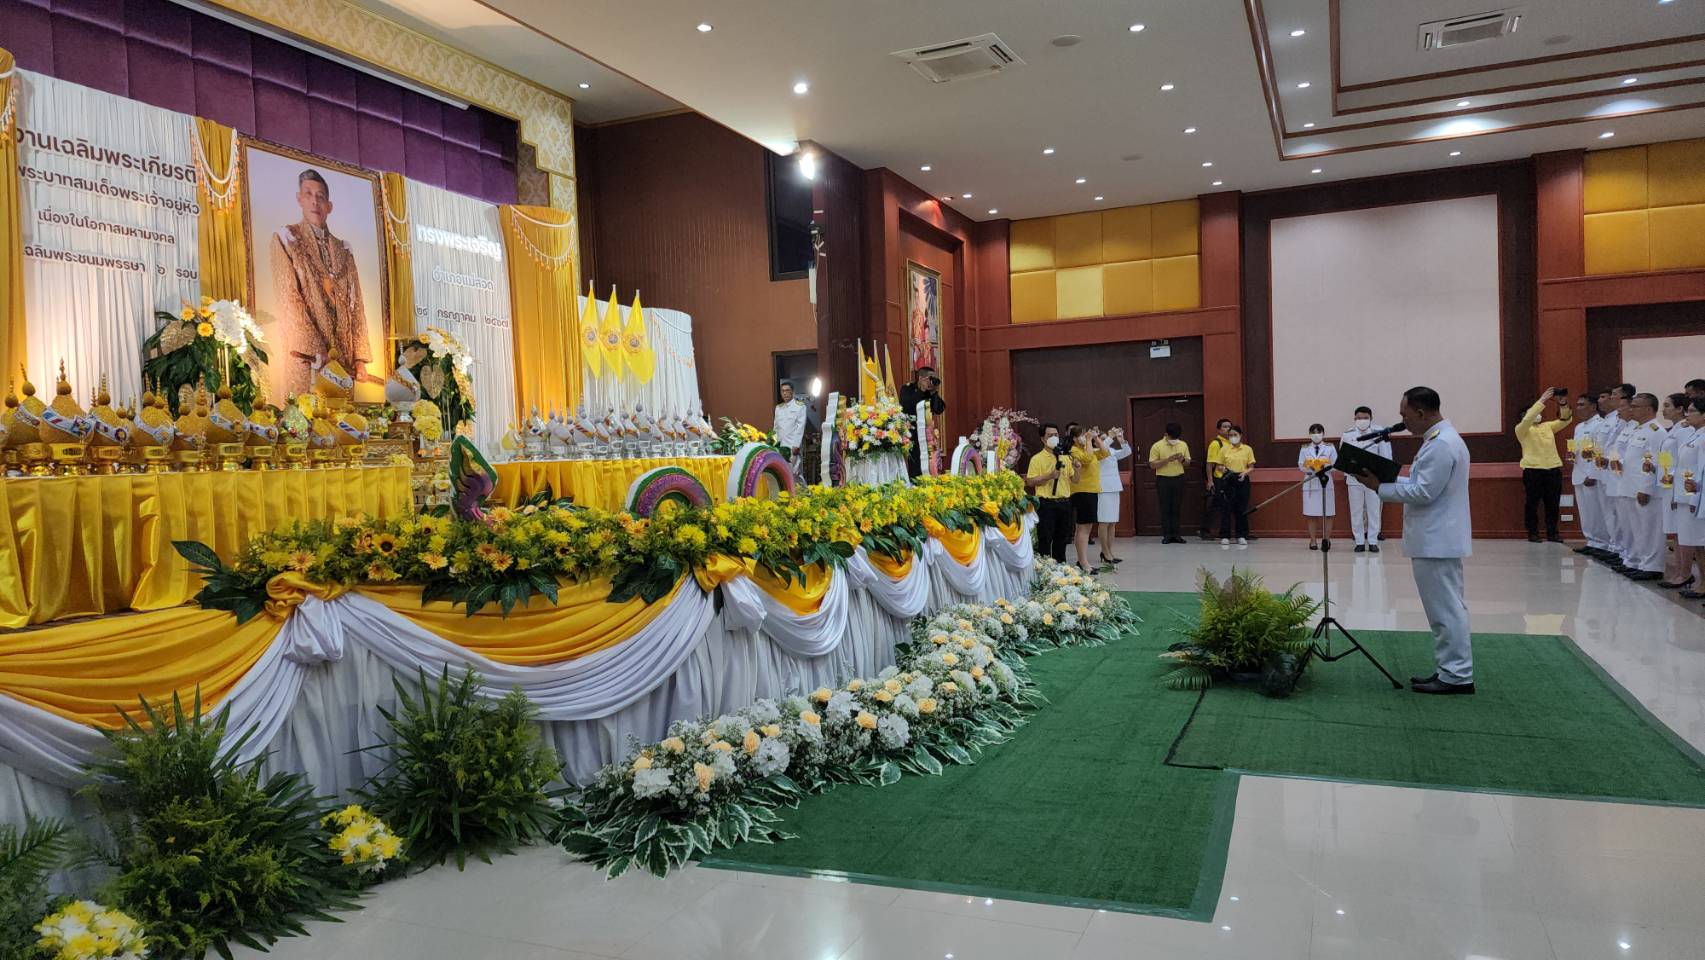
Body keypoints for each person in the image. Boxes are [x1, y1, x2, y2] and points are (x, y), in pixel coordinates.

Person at [1353, 386, 1473, 695]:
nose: (1403, 421)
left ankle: (1457, 675)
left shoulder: (1441, 444)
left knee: (1446, 611)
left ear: (1421, 413)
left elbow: (1424, 492)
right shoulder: (1440, 439)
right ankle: (1451, 670)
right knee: (1446, 609)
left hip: (1437, 540)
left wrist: (1380, 488)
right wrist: (1390, 480)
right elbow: (1424, 483)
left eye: (1405, 415)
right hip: (1437, 538)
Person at [269, 168, 371, 394]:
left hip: (343, 358)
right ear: (299, 199)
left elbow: (357, 305)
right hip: (307, 359)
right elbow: (289, 300)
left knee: (343, 415)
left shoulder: (344, 249)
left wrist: (359, 358)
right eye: (308, 194)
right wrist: (316, 348)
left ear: (329, 206)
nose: (315, 201)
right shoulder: (287, 239)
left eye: (320, 196)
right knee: (308, 414)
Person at [1616, 392, 1667, 581]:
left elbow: (1654, 463)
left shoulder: (1656, 431)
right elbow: (1633, 458)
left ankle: (1653, 566)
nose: (1631, 409)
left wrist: (1646, 488)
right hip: (1630, 486)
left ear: (1648, 409)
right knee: (1638, 530)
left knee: (1650, 530)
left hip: (1646, 489)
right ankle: (1640, 563)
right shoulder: (1638, 429)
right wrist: (1619, 462)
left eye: (1635, 406)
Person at [1515, 387, 1573, 543]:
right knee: (1532, 503)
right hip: (1533, 470)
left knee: (1553, 503)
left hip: (1553, 469)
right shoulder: (1521, 429)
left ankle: (1552, 533)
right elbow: (1528, 419)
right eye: (1532, 412)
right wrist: (1542, 400)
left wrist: (1563, 404)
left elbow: (1566, 420)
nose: (1537, 415)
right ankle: (1533, 532)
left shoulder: (1547, 426)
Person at [1599, 384, 1641, 571]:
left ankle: (1630, 556)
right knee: (1618, 517)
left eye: (1615, 395)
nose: (1611, 398)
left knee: (1630, 521)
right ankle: (1623, 552)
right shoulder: (1620, 423)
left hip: (1626, 478)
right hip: (1614, 475)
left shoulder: (1636, 427)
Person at [1339, 406, 1390, 553]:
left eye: (1365, 418)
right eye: (1359, 418)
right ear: (1354, 419)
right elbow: (1343, 456)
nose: (1362, 420)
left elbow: (1385, 457)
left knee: (1374, 510)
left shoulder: (1377, 434)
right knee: (1356, 511)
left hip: (1373, 480)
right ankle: (1359, 541)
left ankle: (1373, 541)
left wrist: (1382, 476)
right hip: (1354, 479)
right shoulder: (1347, 435)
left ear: (1371, 419)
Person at [1025, 422, 1076, 562]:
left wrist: (1078, 467)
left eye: (1056, 435)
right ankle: (1045, 568)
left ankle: (1061, 567)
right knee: (1045, 539)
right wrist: (1049, 476)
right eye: (1050, 435)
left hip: (1065, 503)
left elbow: (1075, 480)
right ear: (1043, 439)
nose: (1054, 438)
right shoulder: (1037, 459)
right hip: (1046, 504)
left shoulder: (1065, 457)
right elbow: (1030, 482)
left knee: (1063, 539)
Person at [1659, 392, 1694, 589]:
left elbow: (1683, 462)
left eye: (1667, 406)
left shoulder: (1685, 430)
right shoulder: (1674, 429)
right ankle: (1680, 570)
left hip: (1676, 486)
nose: (1663, 410)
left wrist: (1675, 489)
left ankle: (1684, 572)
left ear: (1680, 409)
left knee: (1682, 532)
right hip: (1668, 485)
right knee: (1675, 532)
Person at [1568, 392, 1607, 557]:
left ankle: (1602, 543)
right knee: (1585, 512)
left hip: (1591, 475)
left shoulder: (1600, 425)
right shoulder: (1579, 427)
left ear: (1593, 406)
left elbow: (1600, 451)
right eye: (1577, 405)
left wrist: (1593, 473)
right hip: (1579, 472)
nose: (1578, 408)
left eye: (1582, 405)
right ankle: (1591, 541)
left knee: (1596, 511)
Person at [1674, 397, 1705, 601]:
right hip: (1689, 494)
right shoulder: (1694, 434)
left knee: (1701, 543)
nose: (1688, 414)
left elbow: (1701, 470)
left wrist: (1696, 498)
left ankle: (1703, 584)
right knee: (1697, 543)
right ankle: (1701, 582)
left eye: (1693, 411)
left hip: (1697, 497)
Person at [1069, 426, 1111, 571]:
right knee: (1083, 528)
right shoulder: (1074, 450)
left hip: (1091, 491)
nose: (1085, 437)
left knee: (1086, 527)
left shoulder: (1088, 449)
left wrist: (1096, 438)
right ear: (1075, 438)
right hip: (1082, 491)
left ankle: (1082, 561)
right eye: (1081, 435)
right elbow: (1086, 459)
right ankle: (1083, 563)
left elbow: (1105, 452)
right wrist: (1088, 440)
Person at [1147, 423, 1190, 545]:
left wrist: (1182, 460)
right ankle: (1167, 535)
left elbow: (1188, 463)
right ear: (1166, 434)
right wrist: (1168, 460)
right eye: (1172, 438)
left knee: (1177, 508)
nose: (1174, 441)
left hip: (1179, 478)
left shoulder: (1183, 444)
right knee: (1165, 508)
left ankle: (1177, 535)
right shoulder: (1157, 446)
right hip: (1163, 479)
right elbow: (1152, 465)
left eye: (1176, 438)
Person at [898, 366, 945, 478]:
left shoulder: (930, 392)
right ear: (921, 378)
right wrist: (921, 391)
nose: (931, 381)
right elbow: (907, 406)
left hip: (928, 435)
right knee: (916, 467)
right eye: (930, 378)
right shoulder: (907, 389)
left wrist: (934, 393)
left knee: (931, 465)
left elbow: (939, 409)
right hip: (913, 436)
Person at [1298, 423, 1338, 550]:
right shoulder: (1305, 448)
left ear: (1323, 434)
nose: (1316, 435)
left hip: (1326, 482)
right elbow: (1301, 465)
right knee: (1311, 514)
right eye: (1313, 432)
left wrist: (1323, 466)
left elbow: (1336, 465)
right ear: (1310, 435)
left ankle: (1326, 539)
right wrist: (1312, 467)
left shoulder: (1330, 447)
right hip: (1311, 482)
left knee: (1328, 513)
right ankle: (1313, 540)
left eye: (1318, 432)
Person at [1215, 425, 1255, 545]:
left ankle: (1241, 535)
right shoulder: (1224, 449)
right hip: (1228, 479)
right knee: (1226, 507)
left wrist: (1245, 473)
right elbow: (1219, 465)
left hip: (1242, 479)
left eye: (1235, 435)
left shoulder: (1247, 449)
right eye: (1230, 435)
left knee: (1241, 508)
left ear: (1240, 435)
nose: (1233, 437)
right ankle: (1225, 535)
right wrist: (1224, 470)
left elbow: (1251, 466)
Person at [1097, 427, 1132, 561]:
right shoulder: (1095, 451)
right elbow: (1102, 450)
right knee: (1104, 522)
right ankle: (1105, 551)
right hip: (1103, 490)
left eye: (1106, 438)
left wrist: (1121, 440)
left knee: (1112, 522)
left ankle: (1109, 552)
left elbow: (1127, 452)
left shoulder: (1111, 450)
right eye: (1103, 439)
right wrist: (1109, 438)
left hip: (1114, 488)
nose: (1107, 440)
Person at [1201, 418, 1233, 540]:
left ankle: (1224, 532)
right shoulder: (1216, 444)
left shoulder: (1231, 443)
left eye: (1229, 426)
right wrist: (1210, 481)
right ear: (1219, 430)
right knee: (1213, 506)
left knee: (1225, 506)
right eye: (1224, 426)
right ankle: (1204, 530)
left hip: (1229, 478)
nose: (1227, 429)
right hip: (1218, 478)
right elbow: (1210, 463)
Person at [773, 381, 811, 478]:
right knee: (781, 474)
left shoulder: (800, 407)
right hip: (780, 446)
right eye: (782, 391)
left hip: (792, 446)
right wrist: (774, 444)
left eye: (787, 390)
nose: (785, 393)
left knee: (794, 474)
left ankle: (799, 488)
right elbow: (775, 428)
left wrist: (796, 445)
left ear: (792, 392)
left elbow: (800, 427)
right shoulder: (778, 408)